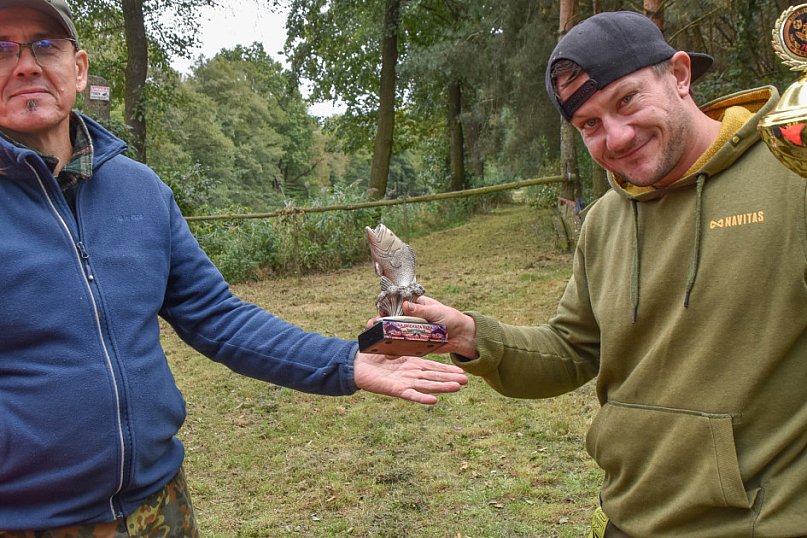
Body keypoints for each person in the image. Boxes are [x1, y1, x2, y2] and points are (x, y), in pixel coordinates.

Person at [0, 0, 468, 535]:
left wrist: (344, 361)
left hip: (160, 506)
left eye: (44, 46)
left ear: (78, 69)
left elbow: (217, 316)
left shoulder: (140, 191)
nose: (26, 64)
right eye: (3, 49)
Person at [403, 10, 807, 538]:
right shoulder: (605, 219)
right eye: (589, 124)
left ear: (680, 75)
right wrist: (473, 336)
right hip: (628, 516)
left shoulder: (789, 175)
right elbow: (573, 349)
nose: (615, 138)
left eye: (628, 100)